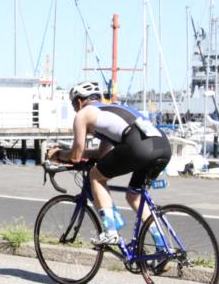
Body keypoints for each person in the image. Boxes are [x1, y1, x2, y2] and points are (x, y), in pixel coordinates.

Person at [46, 81, 172, 247]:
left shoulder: (83, 114)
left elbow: (75, 156)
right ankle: (161, 243)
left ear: (79, 101)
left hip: (139, 146)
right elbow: (101, 154)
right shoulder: (112, 109)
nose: (74, 109)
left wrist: (58, 154)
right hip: (162, 146)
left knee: (95, 177)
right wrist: (76, 154)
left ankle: (110, 232)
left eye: (73, 104)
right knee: (134, 196)